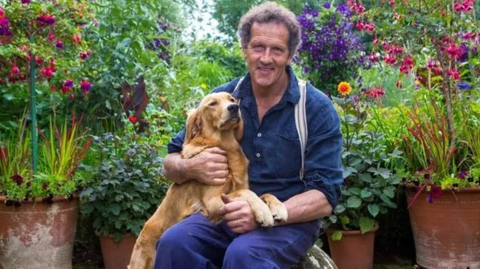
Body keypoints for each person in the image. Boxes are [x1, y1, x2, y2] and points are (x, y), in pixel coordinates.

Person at [155, 2, 343, 268]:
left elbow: (325, 195)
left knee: (244, 255)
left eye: (277, 49)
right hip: (223, 210)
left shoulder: (314, 108)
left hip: (287, 220)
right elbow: (170, 161)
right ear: (245, 50)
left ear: (289, 55)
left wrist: (267, 214)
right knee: (174, 243)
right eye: (258, 47)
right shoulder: (221, 99)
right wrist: (189, 167)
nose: (266, 58)